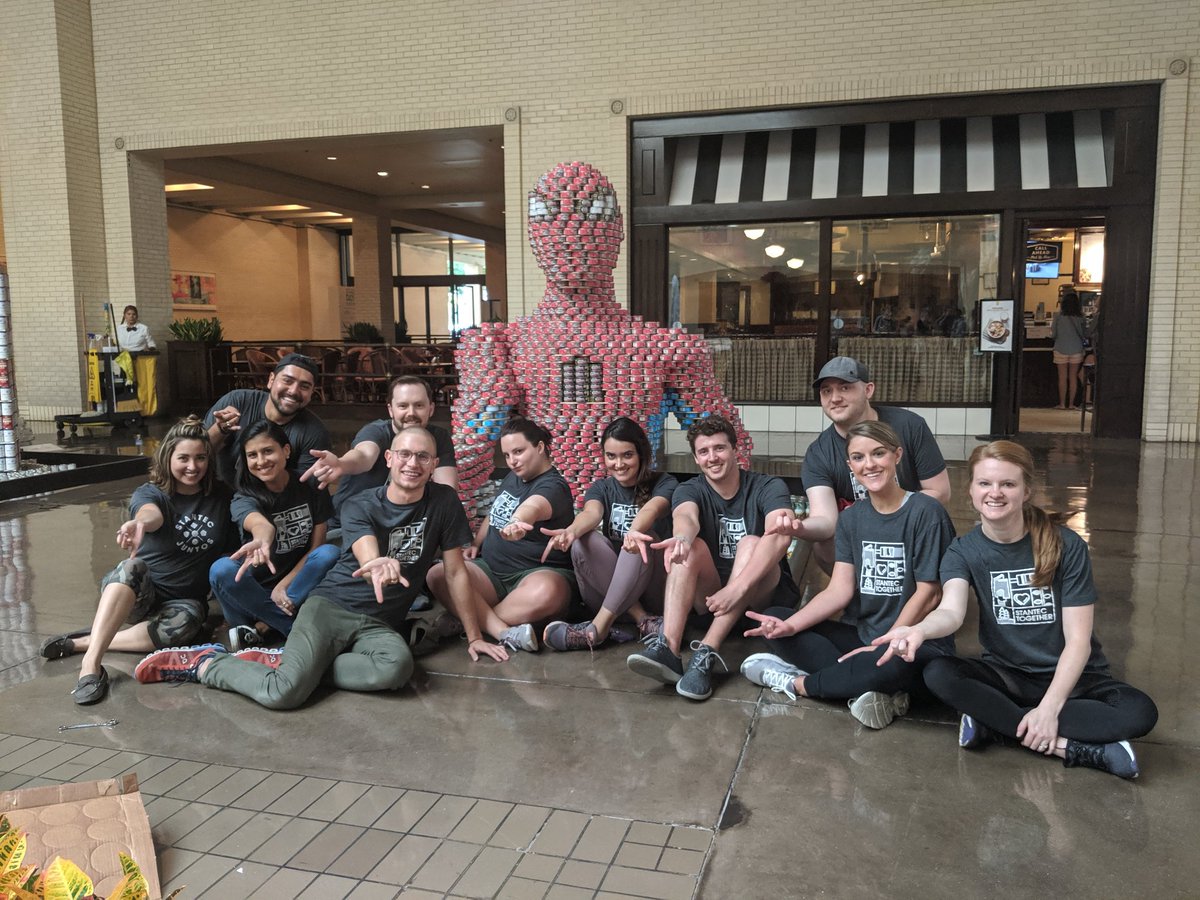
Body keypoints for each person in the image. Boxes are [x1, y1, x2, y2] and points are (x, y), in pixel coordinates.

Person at [133, 427, 507, 708]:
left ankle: (292, 661)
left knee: (397, 669)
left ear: (434, 464)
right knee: (283, 694)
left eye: (423, 457)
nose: (413, 464)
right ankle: (206, 665)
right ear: (389, 459)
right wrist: (375, 562)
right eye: (405, 455)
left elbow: (456, 572)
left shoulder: (443, 502)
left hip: (379, 623)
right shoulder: (362, 503)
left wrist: (474, 636)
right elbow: (365, 547)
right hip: (331, 609)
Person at [872, 440, 1158, 778]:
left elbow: (1078, 641)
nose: (996, 493)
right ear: (972, 491)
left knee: (1139, 712)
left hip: (1075, 678)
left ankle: (996, 725)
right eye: (985, 483)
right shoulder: (963, 552)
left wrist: (1050, 708)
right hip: (1008, 675)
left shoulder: (1066, 544)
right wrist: (920, 629)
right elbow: (950, 612)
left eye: (1008, 484)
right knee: (939, 674)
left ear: (1026, 491)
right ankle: (1075, 749)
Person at [738, 421, 956, 728]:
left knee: (894, 665)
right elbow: (839, 590)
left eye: (878, 454)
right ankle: (874, 692)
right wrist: (789, 625)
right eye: (858, 457)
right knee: (776, 618)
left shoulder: (925, 512)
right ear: (849, 465)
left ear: (897, 455)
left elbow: (929, 592)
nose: (869, 465)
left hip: (913, 641)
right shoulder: (852, 518)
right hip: (863, 635)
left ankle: (798, 684)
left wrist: (887, 642)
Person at [39, 417, 232, 704]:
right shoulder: (151, 493)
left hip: (184, 600)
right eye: (184, 458)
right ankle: (90, 665)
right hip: (141, 592)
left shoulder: (222, 498)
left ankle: (83, 642)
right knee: (131, 567)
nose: (192, 466)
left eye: (200, 458)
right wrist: (138, 524)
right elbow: (149, 514)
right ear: (168, 458)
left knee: (188, 625)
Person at [626, 415, 798, 701]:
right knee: (689, 549)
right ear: (695, 458)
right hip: (713, 601)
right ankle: (668, 648)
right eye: (704, 452)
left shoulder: (768, 486)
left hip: (761, 600)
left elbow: (781, 530)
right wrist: (682, 537)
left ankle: (707, 651)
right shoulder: (690, 489)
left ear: (735, 450)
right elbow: (686, 517)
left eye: (719, 448)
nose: (712, 457)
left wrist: (737, 588)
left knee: (751, 542)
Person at [775, 356, 950, 573]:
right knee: (825, 544)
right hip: (859, 532)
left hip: (909, 522)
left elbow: (940, 491)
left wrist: (888, 517)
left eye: (845, 388)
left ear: (868, 390)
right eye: (826, 391)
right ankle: (854, 595)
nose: (835, 398)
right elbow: (825, 519)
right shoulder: (818, 453)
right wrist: (799, 527)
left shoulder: (910, 426)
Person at [426, 417, 576, 654]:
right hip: (491, 571)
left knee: (548, 592)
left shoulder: (553, 486)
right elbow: (496, 511)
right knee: (438, 574)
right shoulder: (514, 476)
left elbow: (532, 508)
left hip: (536, 575)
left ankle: (469, 619)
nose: (512, 461)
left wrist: (518, 522)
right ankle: (502, 630)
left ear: (539, 447)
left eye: (518, 451)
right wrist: (476, 542)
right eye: (507, 455)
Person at [540, 417, 678, 651]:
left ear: (641, 454)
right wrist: (571, 531)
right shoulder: (601, 487)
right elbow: (591, 513)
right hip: (606, 592)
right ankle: (642, 620)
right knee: (584, 539)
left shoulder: (664, 482)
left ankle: (597, 629)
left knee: (640, 540)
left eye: (627, 455)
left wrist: (634, 531)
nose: (619, 464)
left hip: (653, 590)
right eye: (611, 456)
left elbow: (653, 509)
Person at [209, 420, 339, 650]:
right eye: (252, 455)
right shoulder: (244, 498)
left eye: (268, 451)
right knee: (221, 569)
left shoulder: (309, 484)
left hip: (295, 590)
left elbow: (316, 547)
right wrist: (263, 537)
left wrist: (284, 585)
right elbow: (259, 524)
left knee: (329, 552)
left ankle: (260, 630)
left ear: (286, 451)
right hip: (250, 596)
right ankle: (290, 627)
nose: (261, 461)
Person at [303, 375, 458, 525]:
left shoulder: (438, 438)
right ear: (391, 410)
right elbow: (364, 456)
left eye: (419, 405)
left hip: (400, 528)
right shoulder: (376, 431)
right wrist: (341, 464)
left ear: (431, 409)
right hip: (348, 525)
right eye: (403, 406)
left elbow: (447, 490)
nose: (411, 413)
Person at [204, 352, 330, 486]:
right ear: (271, 380)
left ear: (311, 393)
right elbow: (197, 454)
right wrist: (220, 430)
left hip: (272, 502)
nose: (293, 391)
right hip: (218, 494)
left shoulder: (314, 433)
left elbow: (305, 488)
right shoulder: (237, 402)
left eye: (304, 386)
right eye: (287, 380)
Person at [115, 304, 158, 416]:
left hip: (140, 360)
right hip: (124, 360)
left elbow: (151, 343)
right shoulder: (118, 329)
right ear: (124, 316)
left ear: (137, 316)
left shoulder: (143, 328)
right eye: (129, 314)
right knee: (126, 384)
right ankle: (127, 410)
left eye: (134, 314)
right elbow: (115, 343)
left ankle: (143, 409)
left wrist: (151, 349)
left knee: (141, 385)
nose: (131, 316)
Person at [1052, 292, 1088, 409]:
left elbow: (1054, 334)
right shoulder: (1081, 317)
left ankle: (1062, 404)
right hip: (1076, 349)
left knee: (1062, 377)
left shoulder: (1057, 316)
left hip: (1061, 348)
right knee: (1073, 377)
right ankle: (1071, 404)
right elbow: (1084, 333)